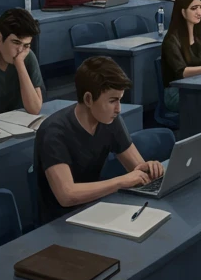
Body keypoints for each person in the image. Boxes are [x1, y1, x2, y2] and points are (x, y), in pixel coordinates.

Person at [34, 56, 165, 222]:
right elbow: (67, 195)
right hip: (58, 223)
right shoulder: (53, 132)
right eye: (113, 101)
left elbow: (137, 169)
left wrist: (149, 169)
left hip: (94, 209)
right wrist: (120, 182)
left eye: (120, 99)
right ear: (89, 99)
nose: (118, 109)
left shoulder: (110, 120)